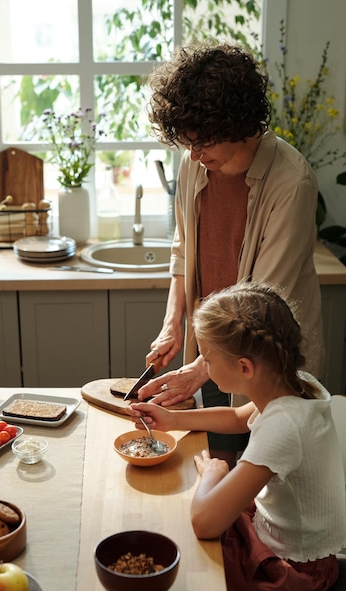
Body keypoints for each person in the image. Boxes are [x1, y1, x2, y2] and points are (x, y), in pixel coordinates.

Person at [138, 41, 324, 468]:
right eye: (187, 143)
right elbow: (183, 247)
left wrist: (200, 369)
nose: (194, 155)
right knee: (211, 466)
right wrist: (172, 326)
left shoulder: (292, 183)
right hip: (211, 352)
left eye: (202, 143)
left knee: (263, 481)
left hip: (261, 360)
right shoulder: (194, 162)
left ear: (239, 124)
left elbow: (263, 304)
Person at [127, 282, 346, 591]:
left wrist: (215, 472)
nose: (206, 367)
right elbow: (236, 418)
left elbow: (205, 523)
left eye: (209, 359)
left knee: (182, 565)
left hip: (295, 570)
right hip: (277, 531)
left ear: (244, 367)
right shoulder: (295, 385)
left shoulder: (283, 426)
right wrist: (173, 421)